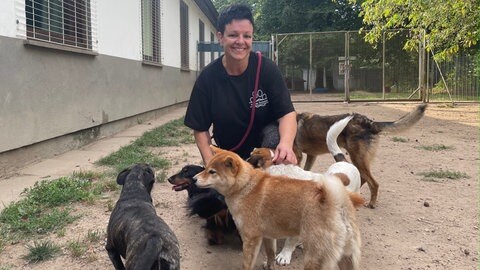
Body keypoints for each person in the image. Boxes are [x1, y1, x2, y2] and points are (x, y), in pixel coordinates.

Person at [184, 3, 297, 166]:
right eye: (233, 35)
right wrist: (211, 163)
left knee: (273, 134)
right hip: (230, 154)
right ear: (220, 37)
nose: (240, 41)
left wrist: (286, 144)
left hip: (267, 153)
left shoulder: (267, 70)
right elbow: (200, 129)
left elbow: (287, 113)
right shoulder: (208, 78)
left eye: (247, 36)